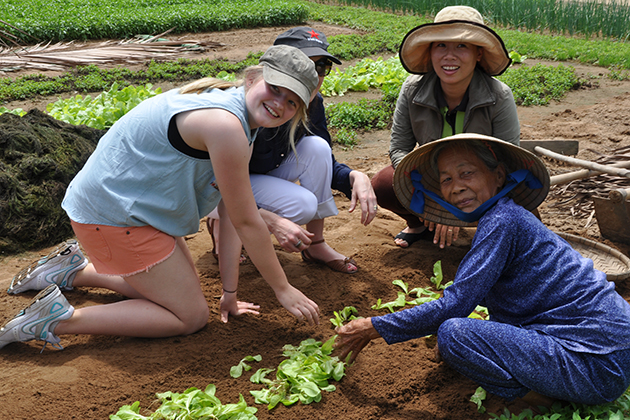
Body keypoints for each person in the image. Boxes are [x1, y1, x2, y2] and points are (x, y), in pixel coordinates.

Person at [0, 45, 322, 351]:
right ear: (253, 78)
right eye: (275, 89)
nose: (280, 104)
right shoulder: (226, 126)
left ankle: (71, 271)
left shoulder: (236, 112)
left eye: (292, 102)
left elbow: (229, 215)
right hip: (113, 215)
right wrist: (283, 289)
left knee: (182, 287)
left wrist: (230, 293)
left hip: (127, 208)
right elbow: (247, 220)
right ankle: (57, 320)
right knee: (190, 316)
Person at [335, 133, 630, 408]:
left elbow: (457, 304)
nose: (456, 186)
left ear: (498, 175)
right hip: (612, 354)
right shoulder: (506, 216)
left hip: (596, 364)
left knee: (453, 333)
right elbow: (481, 296)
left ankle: (534, 399)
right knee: (461, 331)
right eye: (446, 179)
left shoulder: (503, 221)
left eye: (467, 173)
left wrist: (373, 327)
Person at [206, 27, 378, 275]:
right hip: (215, 186)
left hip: (258, 176)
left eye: (322, 67)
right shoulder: (255, 105)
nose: (315, 74)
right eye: (306, 63)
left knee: (316, 147)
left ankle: (315, 244)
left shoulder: (312, 103)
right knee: (280, 205)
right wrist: (270, 219)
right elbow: (210, 178)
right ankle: (221, 221)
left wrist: (354, 176)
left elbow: (323, 161)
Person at [371, 5, 520, 249]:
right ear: (430, 52)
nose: (449, 56)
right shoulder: (412, 90)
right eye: (441, 45)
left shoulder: (499, 96)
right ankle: (418, 224)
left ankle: (495, 234)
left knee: (518, 206)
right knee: (384, 184)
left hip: (480, 183)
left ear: (478, 54)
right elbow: (399, 148)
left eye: (462, 46)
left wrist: (457, 199)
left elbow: (509, 158)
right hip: (433, 179)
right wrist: (434, 195)